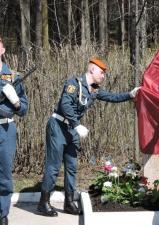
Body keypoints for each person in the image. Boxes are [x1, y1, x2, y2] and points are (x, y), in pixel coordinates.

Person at [37, 57, 140, 217]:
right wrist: (77, 124)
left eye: (104, 73)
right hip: (58, 126)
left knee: (71, 167)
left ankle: (69, 202)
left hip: (72, 129)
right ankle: (43, 202)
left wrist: (130, 94)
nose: (103, 76)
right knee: (54, 167)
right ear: (91, 69)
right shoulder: (74, 83)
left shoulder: (94, 89)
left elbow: (111, 97)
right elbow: (65, 104)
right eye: (101, 72)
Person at [0, 37, 29, 225]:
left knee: (4, 175)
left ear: (2, 50)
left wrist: (16, 102)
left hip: (6, 129)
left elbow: (24, 109)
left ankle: (2, 213)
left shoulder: (14, 76)